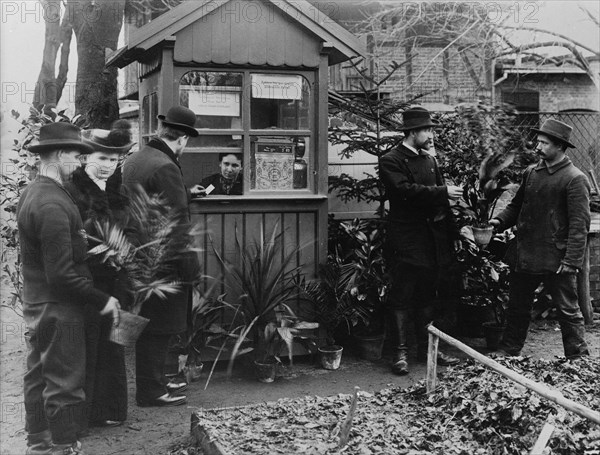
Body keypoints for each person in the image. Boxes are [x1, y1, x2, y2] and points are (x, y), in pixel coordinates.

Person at [18, 122, 120, 455]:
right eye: (76, 156)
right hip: (60, 308)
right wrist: (102, 299)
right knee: (64, 382)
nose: (79, 163)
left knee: (38, 375)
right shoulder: (53, 203)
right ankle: (61, 445)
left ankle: (40, 442)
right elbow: (62, 273)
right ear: (61, 154)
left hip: (38, 302)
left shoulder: (35, 192)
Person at [489, 119, 591, 359]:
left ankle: (577, 358)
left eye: (544, 143)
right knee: (517, 306)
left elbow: (579, 225)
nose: (538, 146)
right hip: (525, 253)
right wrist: (498, 222)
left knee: (567, 309)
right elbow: (516, 207)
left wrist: (572, 261)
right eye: (539, 141)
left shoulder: (574, 178)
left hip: (556, 259)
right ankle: (509, 348)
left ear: (559, 146)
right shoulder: (531, 173)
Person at [121, 106, 201, 407]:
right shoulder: (167, 166)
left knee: (147, 321)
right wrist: (190, 265)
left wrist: (187, 192)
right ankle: (151, 391)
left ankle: (154, 381)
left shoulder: (137, 159)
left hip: (137, 253)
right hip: (164, 260)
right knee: (161, 325)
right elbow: (176, 219)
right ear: (181, 139)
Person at [379, 106, 462, 375]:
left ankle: (428, 352)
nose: (430, 135)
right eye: (426, 130)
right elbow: (404, 191)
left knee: (427, 295)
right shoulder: (391, 159)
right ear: (412, 132)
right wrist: (443, 191)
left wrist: (453, 234)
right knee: (402, 294)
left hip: (431, 241)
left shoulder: (430, 160)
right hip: (406, 239)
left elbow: (443, 206)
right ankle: (400, 354)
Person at [64, 120, 135, 430]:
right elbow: (70, 237)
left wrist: (126, 249)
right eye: (102, 158)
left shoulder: (119, 191)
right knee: (89, 345)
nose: (108, 165)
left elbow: (133, 230)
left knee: (116, 343)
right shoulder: (74, 191)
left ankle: (111, 409)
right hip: (90, 282)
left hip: (120, 279)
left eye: (114, 159)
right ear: (86, 158)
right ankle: (87, 414)